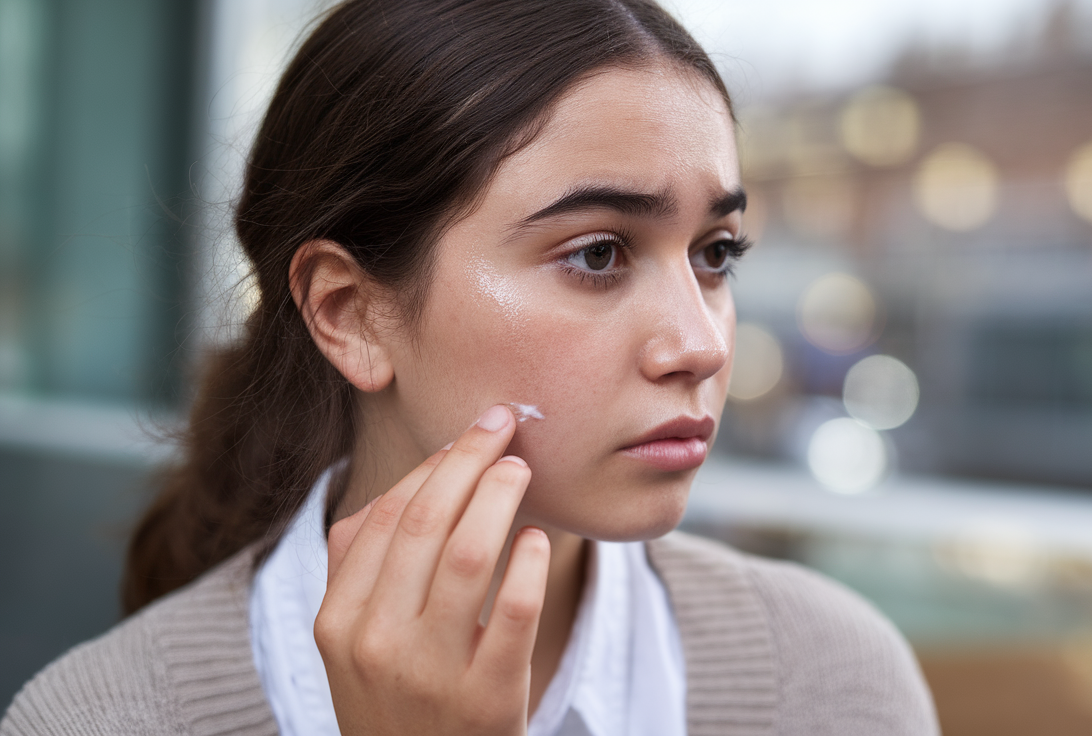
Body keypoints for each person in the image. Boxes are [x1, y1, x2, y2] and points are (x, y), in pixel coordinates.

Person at [2, 0, 939, 733]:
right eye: (599, 254)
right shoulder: (98, 719)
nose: (699, 345)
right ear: (349, 312)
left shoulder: (834, 680)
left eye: (715, 253)